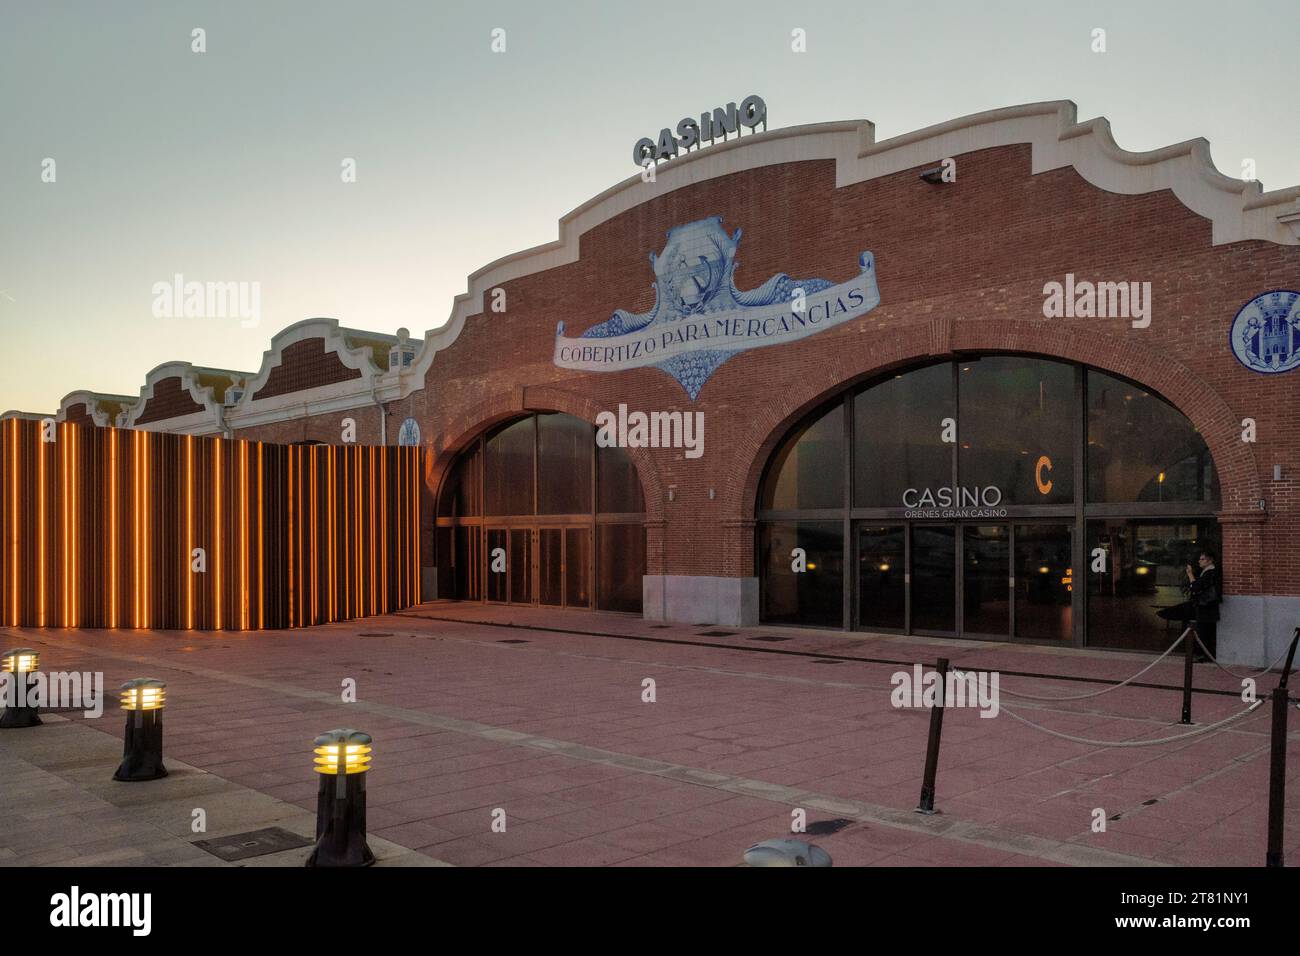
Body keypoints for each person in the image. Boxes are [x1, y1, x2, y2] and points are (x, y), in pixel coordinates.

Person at [1186, 546, 1223, 661]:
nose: (1199, 561)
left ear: (1209, 560)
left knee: (1203, 631)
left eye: (1202, 559)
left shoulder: (1209, 573)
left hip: (1206, 607)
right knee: (1206, 631)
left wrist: (1190, 574)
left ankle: (1203, 655)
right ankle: (1206, 654)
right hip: (1208, 607)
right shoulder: (1209, 572)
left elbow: (1196, 588)